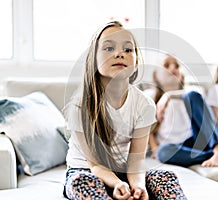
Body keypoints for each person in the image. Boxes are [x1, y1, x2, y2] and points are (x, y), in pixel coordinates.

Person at [62, 21, 187, 200]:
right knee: (81, 181)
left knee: (166, 177)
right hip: (86, 170)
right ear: (93, 59)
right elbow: (95, 165)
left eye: (128, 50)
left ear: (136, 62)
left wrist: (137, 187)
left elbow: (135, 163)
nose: (120, 53)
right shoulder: (80, 105)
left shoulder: (144, 104)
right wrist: (117, 184)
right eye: (109, 48)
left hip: (123, 173)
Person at [147, 55, 218, 168]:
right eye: (167, 65)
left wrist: (169, 95)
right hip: (174, 146)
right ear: (156, 75)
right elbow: (146, 129)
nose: (173, 68)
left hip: (197, 140)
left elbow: (203, 114)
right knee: (163, 152)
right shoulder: (149, 96)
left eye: (177, 66)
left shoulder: (193, 91)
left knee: (192, 95)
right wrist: (155, 149)